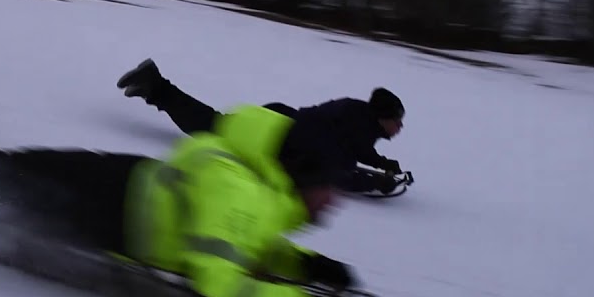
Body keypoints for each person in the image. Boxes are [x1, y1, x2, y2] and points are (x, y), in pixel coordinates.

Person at [0, 6, 358, 297]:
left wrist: (305, 265)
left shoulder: (261, 187)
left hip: (114, 185)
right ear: (301, 172)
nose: (334, 200)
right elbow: (216, 288)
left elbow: (245, 243)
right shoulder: (240, 191)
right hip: (98, 203)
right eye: (329, 187)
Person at [116, 58, 408, 195]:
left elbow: (356, 149)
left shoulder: (359, 117)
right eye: (397, 121)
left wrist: (381, 163)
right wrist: (373, 183)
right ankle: (154, 85)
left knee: (212, 124)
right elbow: (334, 173)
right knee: (209, 129)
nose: (400, 127)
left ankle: (154, 86)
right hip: (269, 137)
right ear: (383, 117)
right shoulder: (352, 127)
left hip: (278, 122)